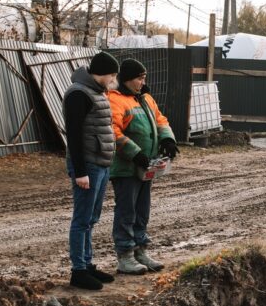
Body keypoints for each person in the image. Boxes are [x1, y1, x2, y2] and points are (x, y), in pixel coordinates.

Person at [108, 58, 179, 274]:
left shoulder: (145, 98)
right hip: (126, 167)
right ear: (128, 79)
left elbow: (160, 120)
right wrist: (134, 152)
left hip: (146, 166)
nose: (143, 81)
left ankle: (141, 250)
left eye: (144, 77)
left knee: (142, 210)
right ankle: (125, 255)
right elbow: (113, 131)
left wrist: (167, 139)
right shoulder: (116, 99)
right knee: (126, 211)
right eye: (139, 77)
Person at [62, 51, 120, 290]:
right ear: (101, 73)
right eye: (112, 75)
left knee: (92, 218)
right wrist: (80, 171)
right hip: (88, 165)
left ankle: (87, 264)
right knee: (82, 219)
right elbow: (74, 136)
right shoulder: (79, 94)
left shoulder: (96, 92)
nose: (113, 80)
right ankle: (78, 270)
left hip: (100, 162)